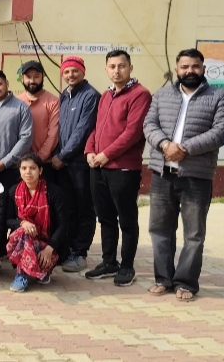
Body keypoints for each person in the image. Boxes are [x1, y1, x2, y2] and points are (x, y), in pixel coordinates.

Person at [143, 48, 224, 302]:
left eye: (195, 66)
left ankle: (186, 282)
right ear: (177, 70)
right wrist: (164, 145)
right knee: (159, 229)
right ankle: (163, 278)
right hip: (162, 173)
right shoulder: (162, 95)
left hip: (196, 176)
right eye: (184, 67)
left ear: (203, 69)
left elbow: (220, 132)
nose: (189, 71)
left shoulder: (220, 96)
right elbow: (149, 124)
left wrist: (184, 149)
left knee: (193, 234)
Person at [84, 50, 151, 286]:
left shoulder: (140, 94)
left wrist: (105, 155)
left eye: (121, 66)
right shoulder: (106, 95)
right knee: (105, 218)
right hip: (99, 167)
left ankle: (127, 266)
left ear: (130, 68)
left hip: (123, 168)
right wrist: (90, 151)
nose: (117, 71)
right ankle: (108, 262)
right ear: (106, 69)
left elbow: (133, 133)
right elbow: (96, 127)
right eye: (112, 66)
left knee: (127, 219)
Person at [52, 56, 100, 273]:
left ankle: (80, 253)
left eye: (75, 71)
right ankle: (69, 248)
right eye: (67, 72)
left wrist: (62, 155)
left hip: (80, 162)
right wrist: (57, 154)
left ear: (83, 71)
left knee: (84, 208)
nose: (71, 75)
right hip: (63, 163)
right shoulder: (65, 95)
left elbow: (83, 130)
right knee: (68, 208)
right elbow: (60, 129)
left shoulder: (91, 96)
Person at [6, 154, 70, 293]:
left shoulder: (53, 192)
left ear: (40, 170)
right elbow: (7, 220)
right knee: (23, 232)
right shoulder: (14, 192)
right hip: (24, 240)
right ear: (19, 171)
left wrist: (49, 248)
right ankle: (21, 275)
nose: (28, 172)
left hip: (48, 243)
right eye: (24, 168)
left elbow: (63, 224)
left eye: (32, 168)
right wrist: (22, 223)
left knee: (26, 236)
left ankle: (42, 269)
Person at [16, 61, 60, 179]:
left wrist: (37, 159)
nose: (32, 80)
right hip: (19, 164)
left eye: (36, 76)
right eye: (28, 77)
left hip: (44, 164)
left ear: (43, 76)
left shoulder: (53, 102)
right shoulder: (16, 102)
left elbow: (53, 135)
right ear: (22, 78)